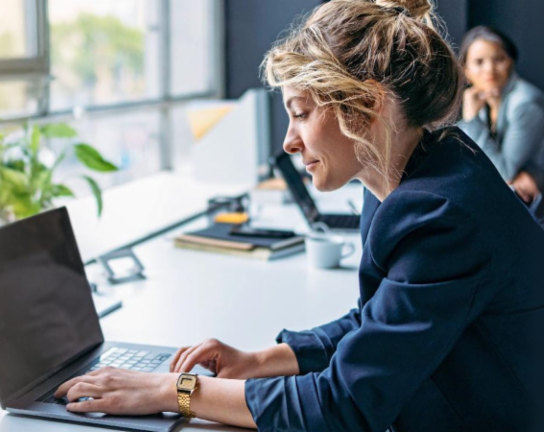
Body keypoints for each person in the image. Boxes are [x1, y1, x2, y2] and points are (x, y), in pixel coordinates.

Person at [55, 1, 544, 430]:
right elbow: (378, 322)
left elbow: (342, 404)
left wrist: (173, 393)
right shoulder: (414, 169)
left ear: (363, 105)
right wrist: (261, 360)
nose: (288, 141)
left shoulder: (440, 215)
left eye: (301, 112)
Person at [458, 26, 544, 207]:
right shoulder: (483, 99)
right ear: (466, 71)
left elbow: (503, 173)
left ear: (511, 62)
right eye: (479, 62)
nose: (489, 69)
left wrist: (471, 120)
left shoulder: (524, 104)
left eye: (499, 59)